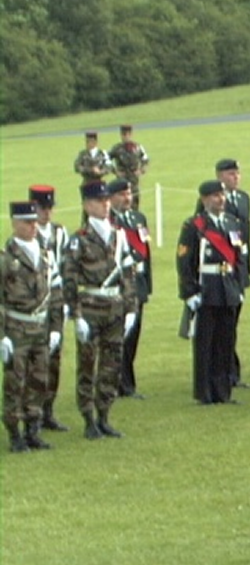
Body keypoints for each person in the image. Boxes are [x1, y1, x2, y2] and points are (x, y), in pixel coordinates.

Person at [63, 180, 138, 439]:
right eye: (99, 201)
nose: (105, 205)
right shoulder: (79, 240)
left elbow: (128, 274)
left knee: (111, 364)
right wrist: (76, 315)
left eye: (107, 200)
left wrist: (130, 308)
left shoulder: (118, 235)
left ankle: (104, 414)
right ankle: (88, 419)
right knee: (87, 365)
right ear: (86, 205)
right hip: (91, 308)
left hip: (115, 308)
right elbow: (69, 280)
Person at [178, 181, 248, 405]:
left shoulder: (232, 223)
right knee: (205, 343)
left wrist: (239, 286)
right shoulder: (194, 225)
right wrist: (189, 292)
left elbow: (239, 258)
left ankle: (223, 390)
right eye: (216, 196)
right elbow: (184, 261)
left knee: (225, 342)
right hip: (206, 287)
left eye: (222, 195)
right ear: (205, 199)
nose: (221, 199)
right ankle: (205, 392)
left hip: (227, 288)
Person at [2, 201, 64, 452]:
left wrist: (56, 328)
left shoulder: (46, 255)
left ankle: (33, 429)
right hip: (16, 328)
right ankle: (14, 432)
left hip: (40, 328)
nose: (32, 227)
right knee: (15, 383)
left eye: (34, 222)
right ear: (15, 224)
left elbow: (56, 293)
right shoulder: (6, 259)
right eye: (27, 222)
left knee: (39, 380)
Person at [29, 185, 70, 431]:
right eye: (42, 208)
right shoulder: (28, 235)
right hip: (35, 305)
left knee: (54, 359)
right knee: (35, 361)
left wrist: (65, 303)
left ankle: (48, 410)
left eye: (49, 208)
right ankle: (32, 411)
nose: (46, 213)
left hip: (56, 300)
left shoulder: (60, 233)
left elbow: (67, 268)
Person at [109, 180, 151, 399]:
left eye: (129, 193)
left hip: (138, 282)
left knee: (133, 336)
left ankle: (127, 381)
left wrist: (147, 285)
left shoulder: (138, 218)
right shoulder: (108, 221)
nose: (127, 198)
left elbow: (146, 252)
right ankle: (119, 383)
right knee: (119, 337)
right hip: (120, 285)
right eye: (122, 194)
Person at [216, 158, 250, 389]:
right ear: (219, 176)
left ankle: (232, 370)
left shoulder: (243, 198)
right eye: (230, 174)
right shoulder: (214, 201)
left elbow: (245, 238)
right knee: (224, 325)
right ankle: (225, 371)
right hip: (222, 271)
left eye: (237, 173)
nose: (235, 178)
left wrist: (245, 270)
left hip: (238, 267)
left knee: (233, 323)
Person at [107, 125, 149, 210]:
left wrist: (141, 170)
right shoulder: (117, 148)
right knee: (122, 203)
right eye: (124, 135)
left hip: (134, 181)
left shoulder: (137, 147)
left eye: (128, 134)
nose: (126, 137)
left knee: (135, 202)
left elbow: (145, 158)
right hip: (122, 180)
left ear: (131, 135)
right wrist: (115, 171)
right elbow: (107, 160)